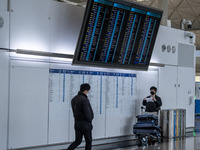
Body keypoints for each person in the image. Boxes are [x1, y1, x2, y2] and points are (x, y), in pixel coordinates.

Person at [66, 83, 94, 150]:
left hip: (77, 123)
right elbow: (87, 113)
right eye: (88, 91)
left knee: (77, 141)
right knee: (88, 141)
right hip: (85, 124)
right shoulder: (84, 100)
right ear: (86, 91)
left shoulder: (74, 99)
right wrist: (90, 120)